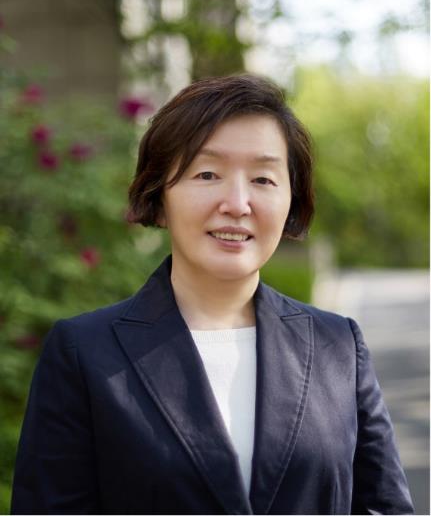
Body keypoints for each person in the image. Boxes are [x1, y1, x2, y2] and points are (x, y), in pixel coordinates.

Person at [11, 74, 414, 515]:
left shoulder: (338, 347)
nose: (237, 204)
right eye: (207, 174)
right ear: (159, 197)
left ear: (291, 201)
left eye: (263, 179)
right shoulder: (84, 354)